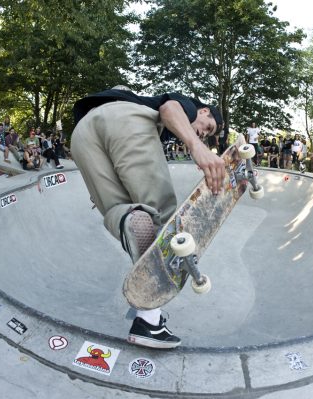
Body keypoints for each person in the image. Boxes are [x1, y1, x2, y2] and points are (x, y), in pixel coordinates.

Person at [71, 88, 224, 349]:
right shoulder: (186, 106)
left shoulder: (126, 101)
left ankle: (147, 313)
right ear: (204, 111)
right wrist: (196, 147)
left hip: (82, 135)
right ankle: (148, 322)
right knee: (165, 225)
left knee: (122, 212)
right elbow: (169, 108)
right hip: (127, 120)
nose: (203, 134)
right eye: (207, 127)